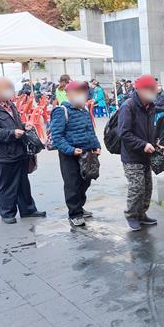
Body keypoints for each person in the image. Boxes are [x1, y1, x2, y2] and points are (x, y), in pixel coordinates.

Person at [0, 77, 46, 224]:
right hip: (3, 154)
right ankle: (7, 213)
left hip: (18, 150)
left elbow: (15, 123)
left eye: (11, 88)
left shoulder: (10, 105)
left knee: (23, 183)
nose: (10, 91)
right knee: (7, 185)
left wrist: (24, 126)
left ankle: (28, 210)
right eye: (6, 88)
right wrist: (11, 133)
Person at [49, 81, 101, 227]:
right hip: (70, 154)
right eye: (77, 92)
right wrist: (70, 150)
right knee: (73, 183)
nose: (81, 95)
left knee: (86, 180)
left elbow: (90, 131)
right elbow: (57, 136)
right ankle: (74, 213)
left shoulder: (84, 110)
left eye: (83, 93)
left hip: (87, 153)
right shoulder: (61, 111)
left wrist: (96, 146)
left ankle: (80, 206)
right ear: (68, 94)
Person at [118, 75, 159, 231]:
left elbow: (150, 128)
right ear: (140, 90)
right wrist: (143, 144)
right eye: (151, 89)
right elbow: (124, 133)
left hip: (146, 154)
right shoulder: (128, 106)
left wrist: (155, 140)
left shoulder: (150, 106)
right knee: (137, 187)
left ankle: (142, 214)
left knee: (147, 186)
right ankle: (132, 215)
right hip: (132, 155)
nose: (154, 92)